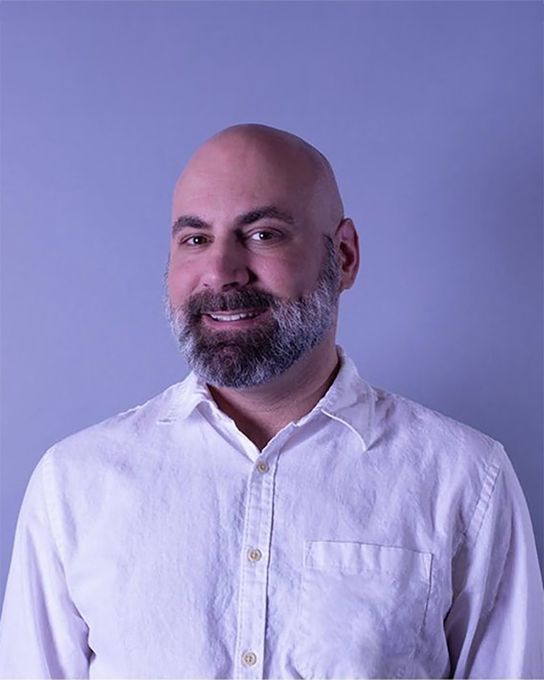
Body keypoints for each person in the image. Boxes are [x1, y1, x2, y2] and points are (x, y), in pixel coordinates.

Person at [0, 123, 542, 679]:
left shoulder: (465, 479)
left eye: (263, 234)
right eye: (195, 239)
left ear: (345, 256)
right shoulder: (75, 484)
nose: (221, 273)